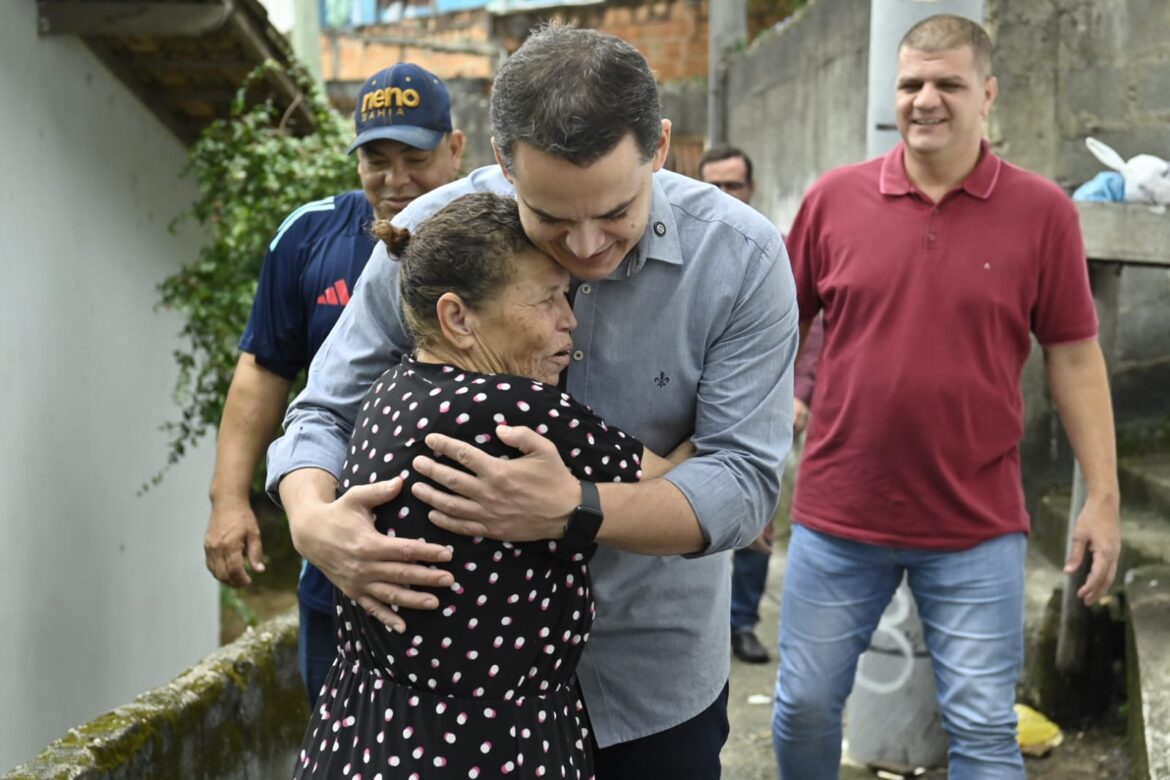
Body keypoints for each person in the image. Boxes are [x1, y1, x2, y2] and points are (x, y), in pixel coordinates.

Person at [269, 23, 799, 778]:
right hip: (443, 706)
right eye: (552, 219)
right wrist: (313, 521)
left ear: (660, 148)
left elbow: (743, 485)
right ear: (501, 164)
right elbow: (324, 410)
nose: (585, 247)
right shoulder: (431, 238)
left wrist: (574, 507)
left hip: (647, 685)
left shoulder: (740, 260)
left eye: (615, 212)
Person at [771, 14, 1120, 780]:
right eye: (910, 84)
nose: (925, 100)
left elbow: (1073, 357)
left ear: (987, 93)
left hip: (976, 525)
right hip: (839, 516)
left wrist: (1102, 495)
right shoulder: (835, 200)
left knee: (984, 730)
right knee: (801, 706)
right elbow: (770, 337)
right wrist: (749, 473)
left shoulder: (1043, 214)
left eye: (948, 84)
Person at [294, 192, 692, 778]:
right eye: (549, 298)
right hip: (486, 747)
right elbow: (682, 485)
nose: (570, 319)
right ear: (458, 319)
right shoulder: (515, 409)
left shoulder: (388, 391)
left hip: (363, 729)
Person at [202, 62, 465, 706]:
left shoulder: (501, 234)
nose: (396, 181)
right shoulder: (308, 235)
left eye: (416, 157)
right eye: (377, 159)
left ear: (456, 149)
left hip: (472, 564)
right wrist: (229, 499)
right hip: (337, 564)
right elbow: (265, 370)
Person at [698, 144, 824, 665]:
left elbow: (814, 327)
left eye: (735, 185)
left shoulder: (774, 249)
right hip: (693, 405)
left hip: (764, 403)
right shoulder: (681, 249)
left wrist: (799, 393)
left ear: (751, 188)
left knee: (756, 515)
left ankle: (742, 622)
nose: (726, 195)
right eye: (715, 185)